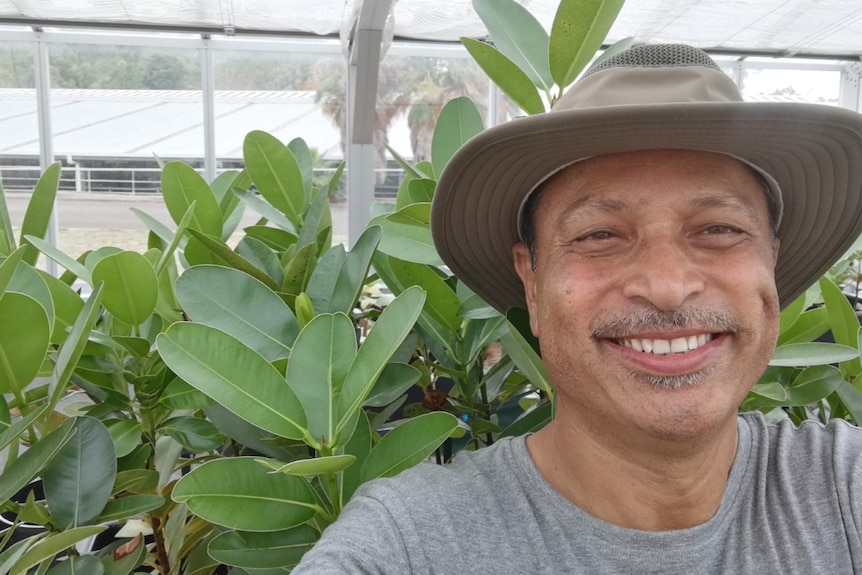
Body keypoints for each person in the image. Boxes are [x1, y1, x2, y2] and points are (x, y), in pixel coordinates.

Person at [293, 44, 862, 573]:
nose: (666, 286)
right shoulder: (410, 544)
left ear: (771, 263)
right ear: (532, 283)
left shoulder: (844, 491)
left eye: (719, 228)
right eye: (599, 235)